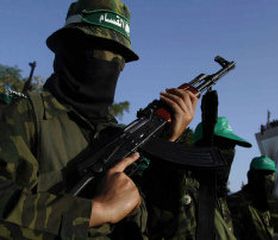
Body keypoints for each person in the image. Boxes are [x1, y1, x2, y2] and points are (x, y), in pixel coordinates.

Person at [0, 0, 197, 239]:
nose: (108, 63)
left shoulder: (119, 137)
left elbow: (159, 227)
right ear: (66, 48)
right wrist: (98, 210)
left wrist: (169, 143)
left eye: (118, 58)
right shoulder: (23, 114)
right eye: (97, 49)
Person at [142, 115, 252, 239]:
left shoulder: (220, 200)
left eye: (231, 147)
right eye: (220, 144)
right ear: (199, 148)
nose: (227, 152)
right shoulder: (181, 186)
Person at [227, 155, 276, 240]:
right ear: (251, 175)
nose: (266, 178)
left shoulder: (263, 204)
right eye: (261, 174)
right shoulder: (235, 202)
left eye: (270, 174)